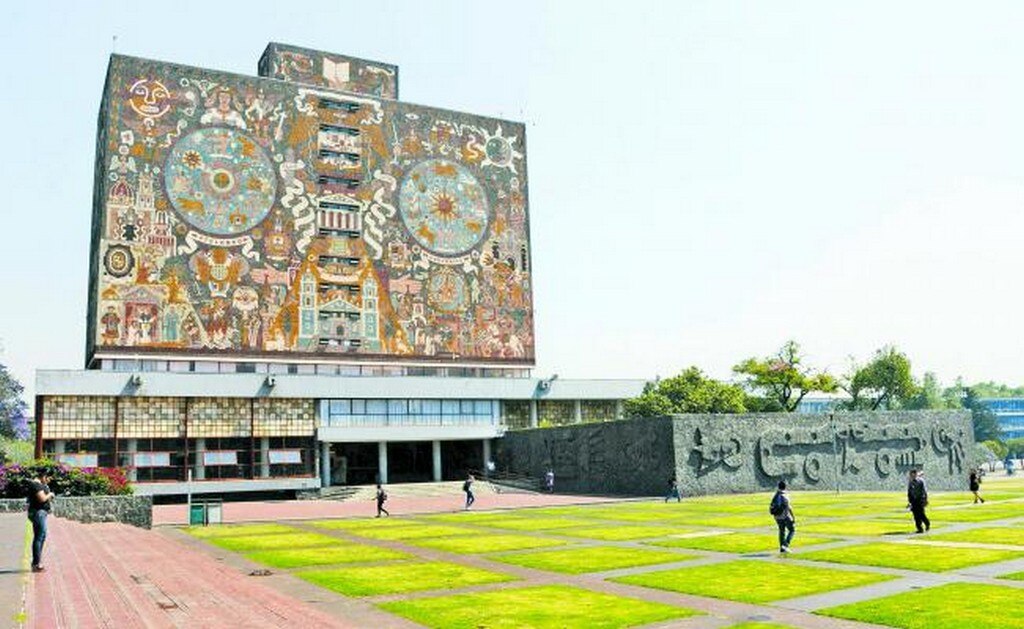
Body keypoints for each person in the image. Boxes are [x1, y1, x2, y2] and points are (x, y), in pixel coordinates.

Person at [27, 470, 55, 572]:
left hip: (41, 513)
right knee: (39, 537)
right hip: (39, 513)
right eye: (47, 478)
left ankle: (37, 561)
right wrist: (50, 495)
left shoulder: (40, 485)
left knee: (41, 537)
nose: (48, 481)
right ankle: (36, 564)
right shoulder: (36, 485)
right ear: (43, 476)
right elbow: (42, 499)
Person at [769, 480, 795, 553]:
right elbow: (789, 508)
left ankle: (782, 548)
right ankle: (786, 545)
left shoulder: (776, 494)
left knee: (781, 531)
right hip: (784, 516)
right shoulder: (785, 495)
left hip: (777, 516)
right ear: (785, 487)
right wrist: (793, 517)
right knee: (792, 530)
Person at [907, 469, 930, 533]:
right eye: (910, 474)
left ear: (915, 474)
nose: (911, 475)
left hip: (920, 500)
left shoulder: (921, 481)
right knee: (915, 515)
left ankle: (927, 523)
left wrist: (925, 500)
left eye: (912, 474)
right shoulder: (910, 482)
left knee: (921, 514)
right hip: (913, 501)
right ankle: (919, 528)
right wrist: (909, 502)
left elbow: (924, 491)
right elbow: (909, 492)